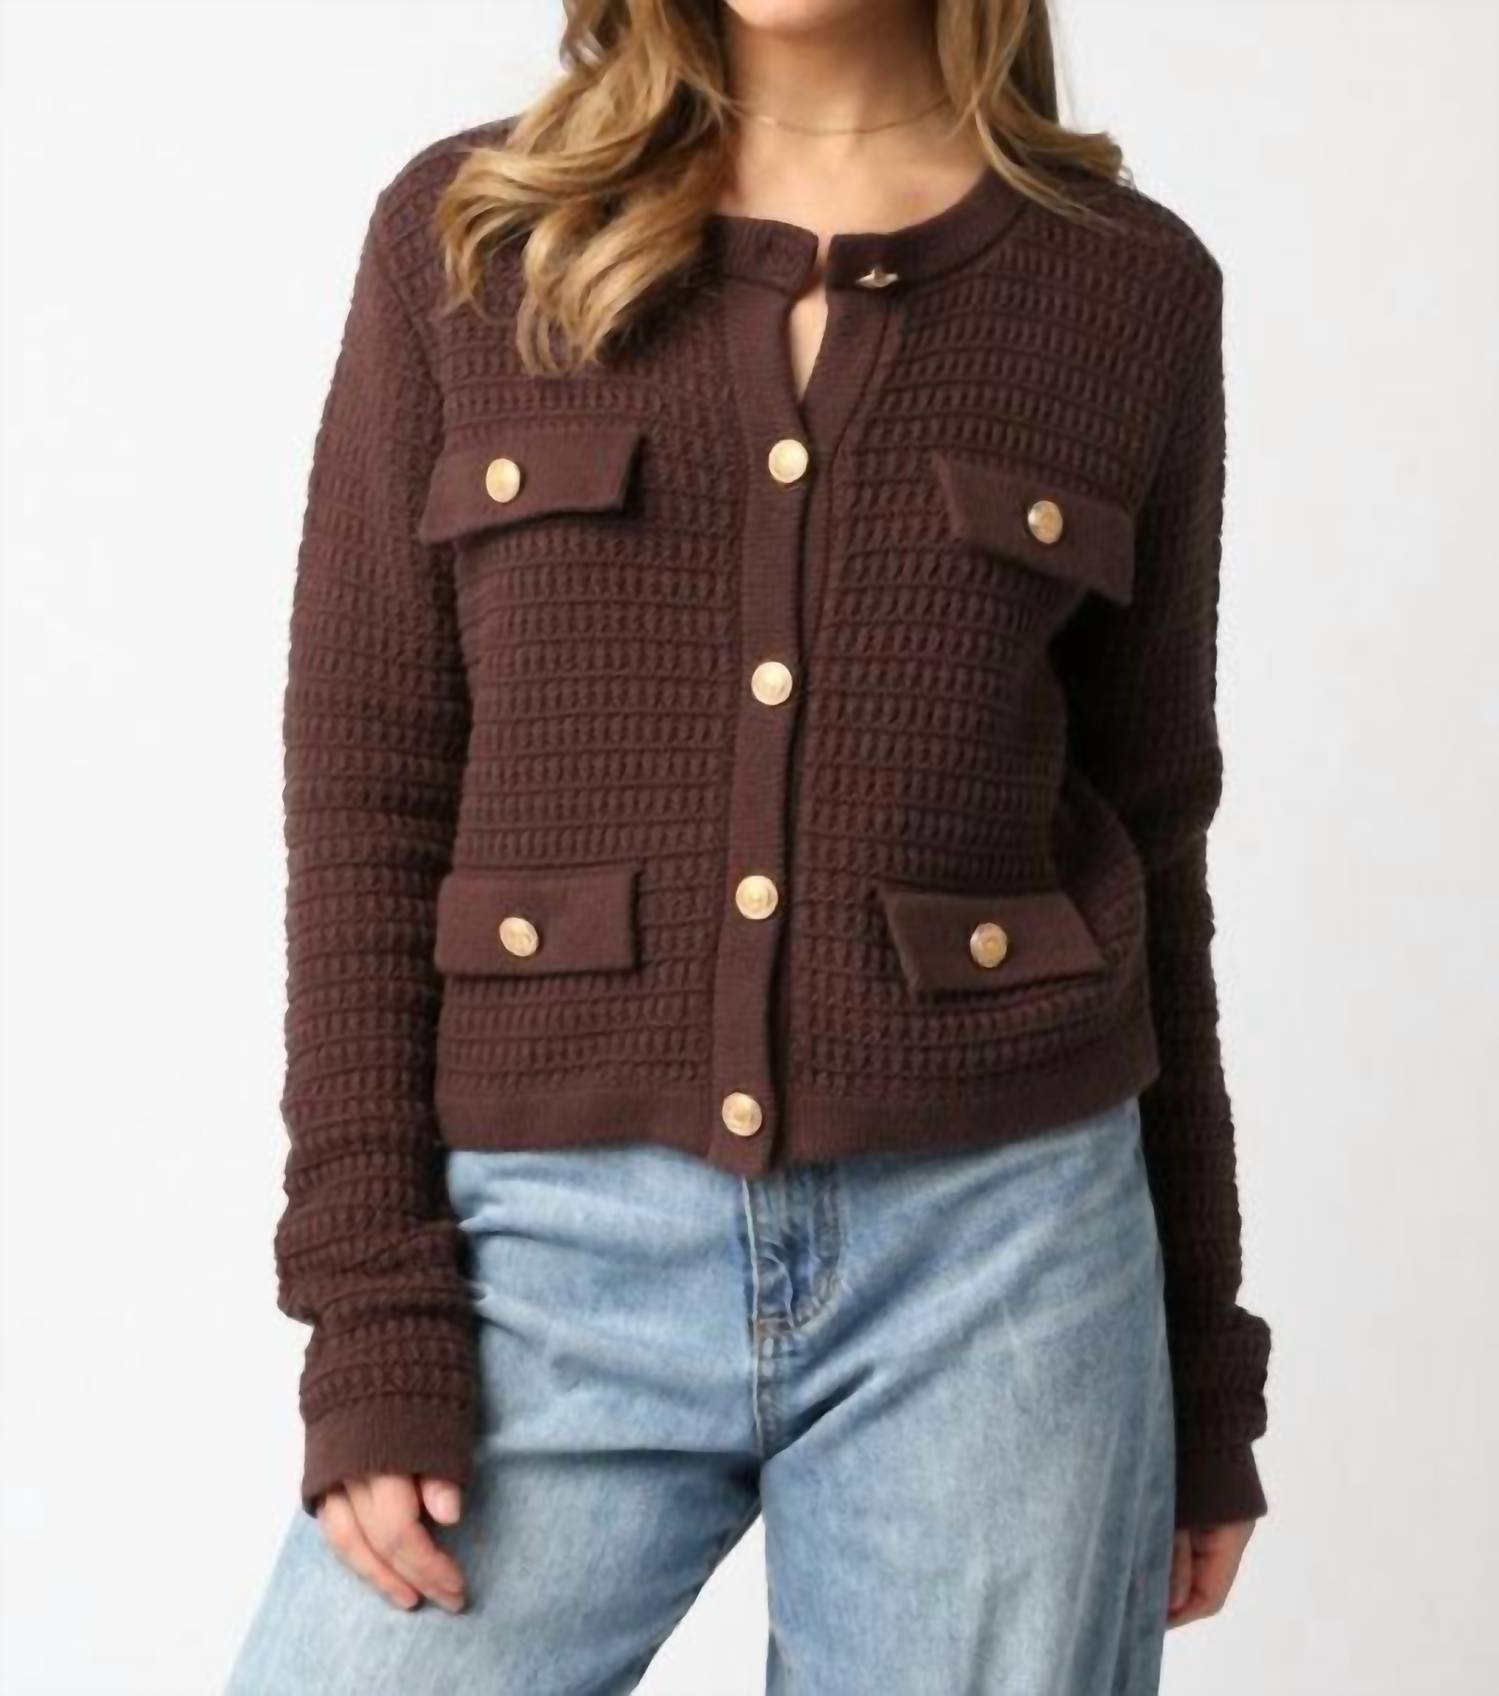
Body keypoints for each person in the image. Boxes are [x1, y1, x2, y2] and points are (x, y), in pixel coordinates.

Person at [227, 1, 1272, 1690]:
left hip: (1005, 1268)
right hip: (541, 1262)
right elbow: (363, 794)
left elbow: (1155, 847)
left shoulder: (1127, 289)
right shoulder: (473, 241)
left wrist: (1203, 1369)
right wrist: (372, 1308)